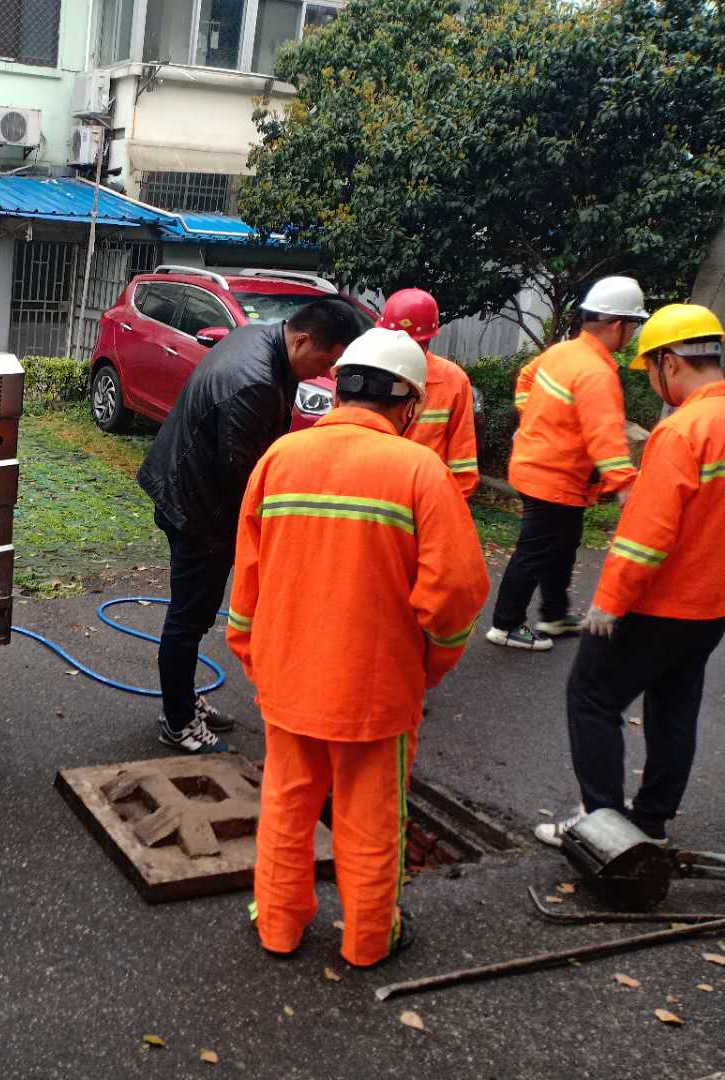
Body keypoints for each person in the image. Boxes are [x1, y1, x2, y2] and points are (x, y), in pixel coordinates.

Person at [226, 329, 489, 968]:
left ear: (338, 386)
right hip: (375, 693)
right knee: (370, 817)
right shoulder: (419, 471)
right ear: (407, 405)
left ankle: (279, 928)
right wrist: (428, 668)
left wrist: (258, 659)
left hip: (287, 681)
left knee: (287, 805)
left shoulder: (279, 460)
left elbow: (247, 587)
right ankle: (369, 940)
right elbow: (454, 594)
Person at [137, 298, 365, 754]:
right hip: (198, 508)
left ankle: (181, 700)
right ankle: (178, 720)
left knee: (194, 615)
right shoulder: (255, 382)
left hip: (190, 485)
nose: (328, 372)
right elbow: (245, 479)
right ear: (301, 339)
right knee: (188, 618)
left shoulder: (262, 336)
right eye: (327, 359)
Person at [535, 304, 725, 846]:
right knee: (674, 708)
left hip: (655, 605)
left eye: (652, 369)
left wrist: (608, 604)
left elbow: (646, 535)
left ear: (670, 361)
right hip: (710, 607)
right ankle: (651, 823)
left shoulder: (683, 432)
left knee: (591, 698)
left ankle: (604, 828)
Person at [487, 276, 647, 652]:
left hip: (543, 471)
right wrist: (626, 485)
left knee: (563, 546)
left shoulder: (563, 353)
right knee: (536, 550)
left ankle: (554, 615)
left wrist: (532, 415)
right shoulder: (595, 371)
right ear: (614, 324)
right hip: (554, 478)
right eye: (632, 324)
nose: (632, 333)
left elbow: (526, 377)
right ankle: (506, 624)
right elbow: (606, 435)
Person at [377, 288, 479, 498]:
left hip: (427, 498)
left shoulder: (452, 380)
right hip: (376, 497)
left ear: (426, 342)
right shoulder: (365, 374)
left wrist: (451, 507)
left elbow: (463, 461)